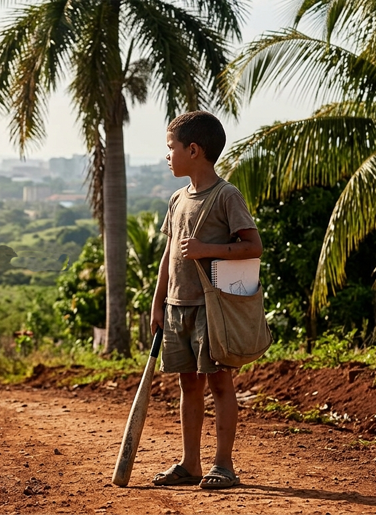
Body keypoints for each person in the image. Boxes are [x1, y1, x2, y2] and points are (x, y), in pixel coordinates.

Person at [149, 111, 262, 489]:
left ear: (193, 150)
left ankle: (223, 465)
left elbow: (252, 246)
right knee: (188, 385)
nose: (167, 156)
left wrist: (205, 249)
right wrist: (158, 301)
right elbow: (169, 253)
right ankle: (190, 463)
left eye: (171, 148)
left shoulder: (226, 196)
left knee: (220, 384)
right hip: (178, 306)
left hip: (212, 310)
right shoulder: (177, 198)